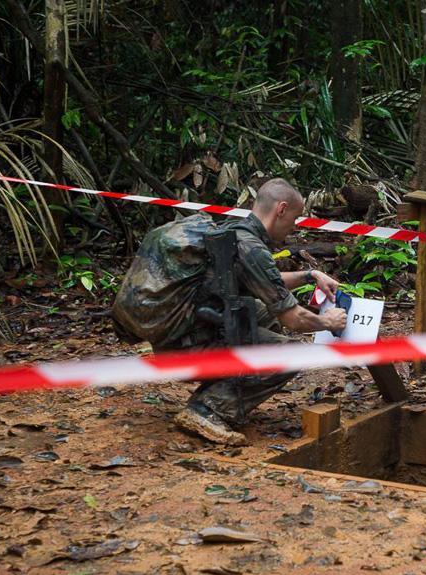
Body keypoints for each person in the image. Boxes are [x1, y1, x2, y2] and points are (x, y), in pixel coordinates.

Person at [114, 178, 347, 445]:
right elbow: (294, 319)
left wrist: (310, 274)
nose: (294, 227)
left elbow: (265, 280)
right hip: (186, 350)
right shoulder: (251, 248)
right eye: (295, 218)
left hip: (179, 338)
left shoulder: (233, 233)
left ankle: (222, 391)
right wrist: (328, 321)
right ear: (281, 209)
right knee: (294, 353)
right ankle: (207, 410)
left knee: (264, 313)